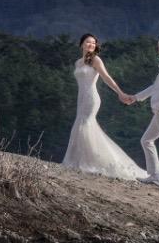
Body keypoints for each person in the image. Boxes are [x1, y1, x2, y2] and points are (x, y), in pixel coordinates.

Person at [63, 34, 147, 180]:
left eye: (93, 43)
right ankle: (79, 161)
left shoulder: (95, 60)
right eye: (88, 42)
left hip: (91, 98)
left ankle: (92, 163)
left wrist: (120, 93)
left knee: (85, 125)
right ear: (81, 44)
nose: (90, 45)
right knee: (81, 125)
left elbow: (107, 77)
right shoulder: (78, 63)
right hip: (80, 99)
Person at [121, 33, 159, 190]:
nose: (158, 45)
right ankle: (155, 175)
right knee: (146, 140)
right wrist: (135, 97)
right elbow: (155, 87)